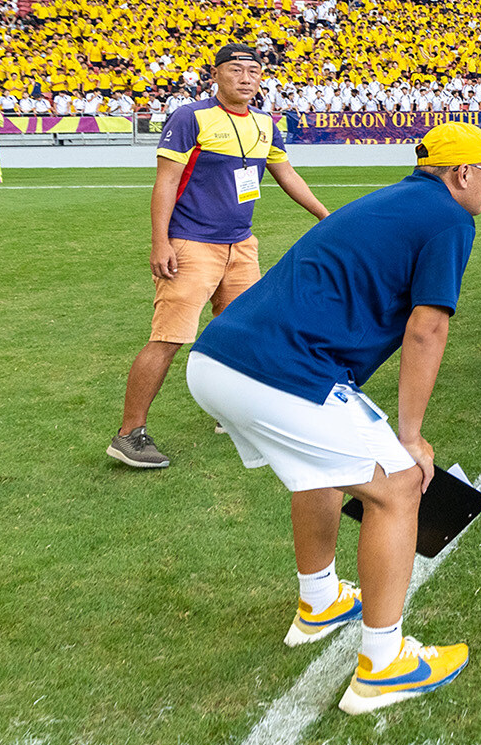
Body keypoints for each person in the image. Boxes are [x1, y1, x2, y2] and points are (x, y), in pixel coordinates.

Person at [184, 122, 481, 714]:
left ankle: (321, 601)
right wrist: (410, 436)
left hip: (217, 359)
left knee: (322, 469)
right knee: (400, 485)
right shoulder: (449, 218)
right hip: (280, 371)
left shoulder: (393, 199)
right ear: (462, 173)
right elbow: (428, 327)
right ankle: (385, 665)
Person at [110, 44, 330, 471]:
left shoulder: (266, 124)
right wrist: (161, 242)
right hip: (191, 244)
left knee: (240, 333)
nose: (246, 78)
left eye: (254, 71)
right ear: (216, 75)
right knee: (169, 338)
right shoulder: (191, 117)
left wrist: (325, 216)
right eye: (236, 70)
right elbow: (165, 183)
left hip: (241, 245)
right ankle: (128, 434)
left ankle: (228, 417)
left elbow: (286, 174)